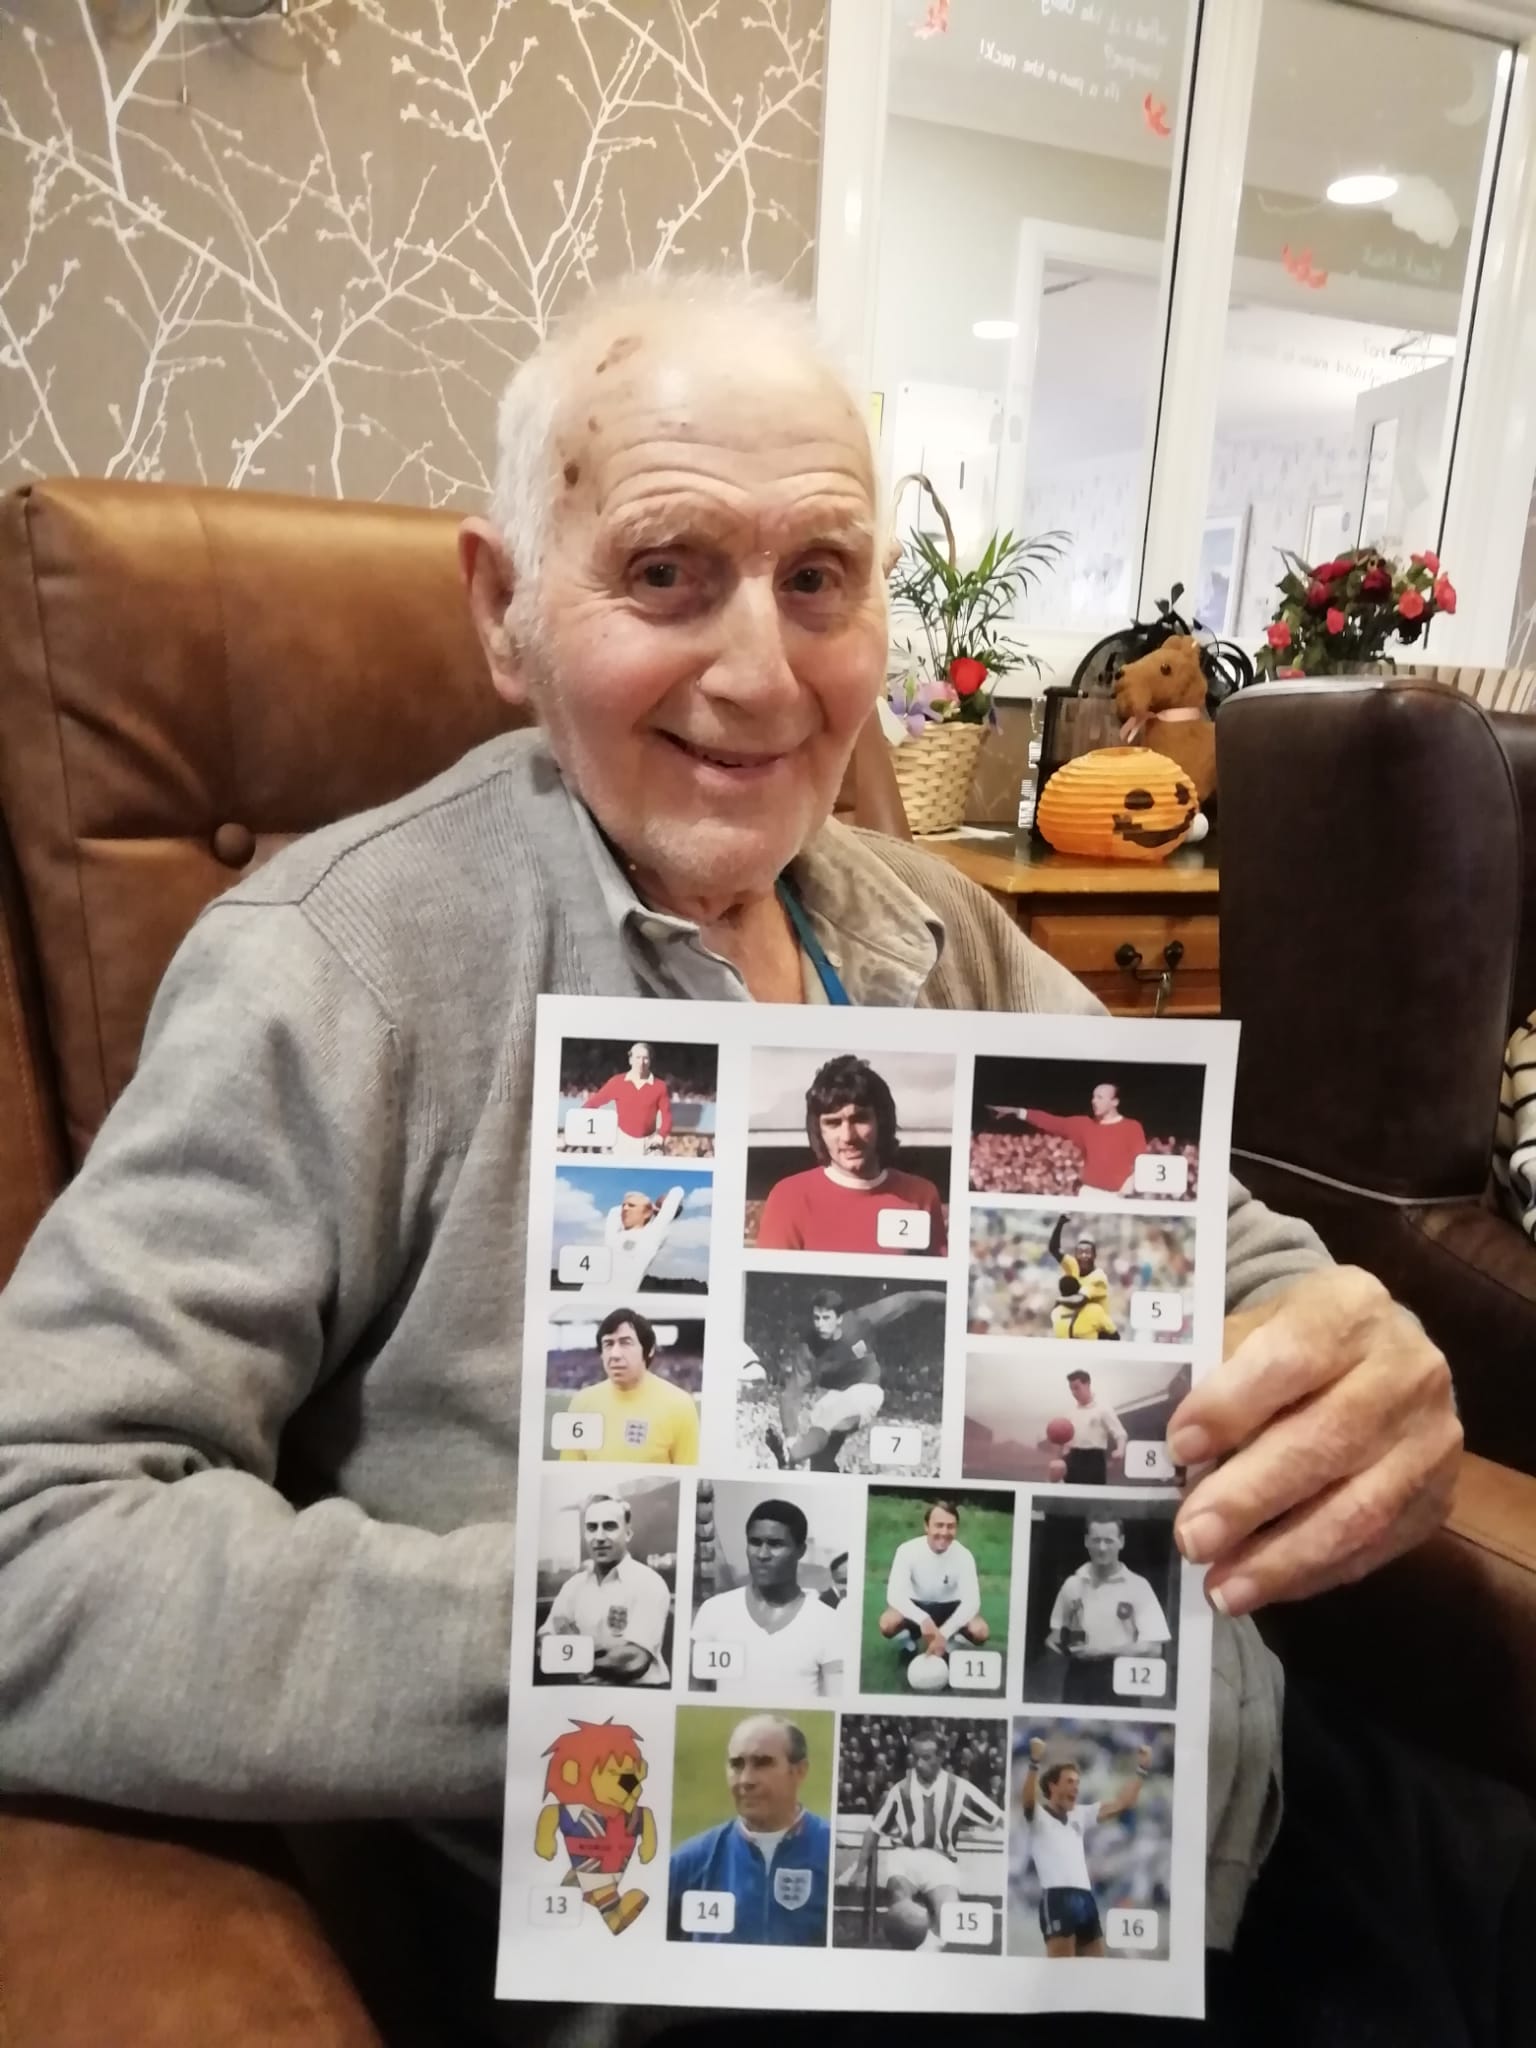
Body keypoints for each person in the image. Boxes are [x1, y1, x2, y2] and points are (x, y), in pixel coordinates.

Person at [0, 273, 1476, 2045]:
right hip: (766, 1938)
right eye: (665, 570)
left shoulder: (933, 924)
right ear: (505, 609)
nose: (761, 672)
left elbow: (1208, 1242)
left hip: (1215, 1828)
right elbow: (37, 1544)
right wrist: (658, 1625)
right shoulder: (339, 967)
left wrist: (1344, 1337)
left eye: (820, 578)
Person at [756, 1054, 947, 1254]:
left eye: (859, 1119)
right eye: (833, 1123)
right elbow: (770, 1284)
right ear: (818, 1130)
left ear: (881, 1120)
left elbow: (934, 1283)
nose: (848, 1136)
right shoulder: (789, 1198)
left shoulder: (920, 1195)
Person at [667, 1714, 831, 1947]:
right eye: (736, 1764)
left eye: (762, 1763)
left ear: (799, 1771)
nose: (746, 1779)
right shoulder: (688, 1864)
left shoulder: (830, 1851)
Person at [843, 1728, 1004, 1951]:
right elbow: (874, 1829)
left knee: (950, 1917)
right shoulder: (901, 1790)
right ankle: (906, 1952)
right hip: (905, 1856)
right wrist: (860, 1869)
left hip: (940, 1860)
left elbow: (998, 1818)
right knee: (904, 1912)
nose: (919, 1764)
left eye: (926, 1758)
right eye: (916, 1758)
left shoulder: (960, 1788)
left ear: (940, 1757)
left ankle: (927, 1949)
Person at [764, 1286, 942, 1473]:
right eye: (816, 1318)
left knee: (831, 1417)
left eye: (826, 1318)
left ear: (839, 1319)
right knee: (821, 1461)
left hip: (866, 1389)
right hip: (835, 1395)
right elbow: (791, 1393)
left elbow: (909, 1298)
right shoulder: (809, 1348)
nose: (820, 1325)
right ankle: (795, 1458)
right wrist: (790, 1437)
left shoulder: (859, 1321)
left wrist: (955, 1298)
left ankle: (792, 1457)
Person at [691, 1498, 843, 1697]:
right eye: (754, 1543)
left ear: (800, 1550)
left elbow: (836, 1703)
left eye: (775, 1544)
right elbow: (694, 1695)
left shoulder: (828, 1622)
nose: (762, 1554)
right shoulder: (715, 1611)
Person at [1019, 1736, 1152, 1958]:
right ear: (1052, 1786)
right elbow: (1028, 1801)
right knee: (1063, 1972)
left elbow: (1123, 1803)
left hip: (1085, 1898)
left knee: (1094, 1971)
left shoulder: (1079, 1813)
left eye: (1077, 1783)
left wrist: (1141, 1770)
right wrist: (1034, 1762)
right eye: (1070, 1782)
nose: (1076, 1788)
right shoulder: (1039, 1817)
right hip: (1057, 1898)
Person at [537, 1494, 671, 1686]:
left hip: (641, 1695)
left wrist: (573, 1651)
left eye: (609, 1526)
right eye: (592, 1528)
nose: (599, 1537)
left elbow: (634, 1660)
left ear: (628, 1533)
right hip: (582, 1694)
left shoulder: (649, 1583)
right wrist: (604, 1653)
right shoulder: (573, 1586)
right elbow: (544, 1641)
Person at [1046, 1515, 1170, 1707]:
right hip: (1078, 1679)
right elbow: (1056, 1635)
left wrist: (1101, 1652)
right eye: (1096, 1540)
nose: (1102, 1548)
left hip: (1121, 1678)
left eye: (1109, 1541)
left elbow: (1153, 1648)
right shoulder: (1072, 1584)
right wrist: (1063, 1645)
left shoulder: (1138, 1586)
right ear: (1087, 1541)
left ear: (1121, 1542)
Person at [559, 1306, 698, 1465]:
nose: (615, 1354)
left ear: (649, 1349)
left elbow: (688, 1479)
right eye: (608, 1344)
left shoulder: (680, 1405)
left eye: (625, 1343)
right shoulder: (581, 1403)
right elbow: (568, 1470)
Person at [992, 1082, 1149, 1197]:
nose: (1094, 1101)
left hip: (1118, 1197)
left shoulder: (1131, 1127)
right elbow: (1052, 1122)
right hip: (1089, 1194)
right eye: (1093, 1097)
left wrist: (1126, 1190)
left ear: (1114, 1102)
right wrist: (1019, 1112)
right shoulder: (1084, 1125)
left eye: (1100, 1097)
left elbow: (1142, 1163)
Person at [878, 1499, 988, 1663]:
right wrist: (923, 1620)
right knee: (887, 1623)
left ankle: (950, 1646)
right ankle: (909, 1645)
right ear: (926, 1526)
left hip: (950, 1607)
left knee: (980, 1631)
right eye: (939, 1525)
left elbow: (972, 1603)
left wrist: (943, 1633)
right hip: (917, 1606)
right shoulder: (907, 1550)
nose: (944, 1532)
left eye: (950, 1526)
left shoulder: (964, 1556)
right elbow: (894, 1595)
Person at [573, 1184, 686, 1298]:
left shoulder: (652, 1235)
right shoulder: (613, 1237)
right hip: (584, 1299)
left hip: (614, 1304)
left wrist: (649, 1207)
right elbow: (614, 1212)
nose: (625, 1208)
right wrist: (644, 1205)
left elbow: (677, 1192)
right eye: (624, 1205)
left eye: (631, 1206)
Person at [583, 1042, 671, 1158]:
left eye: (645, 1058)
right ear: (630, 1060)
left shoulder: (660, 1086)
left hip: (649, 1142)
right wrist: (577, 1119)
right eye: (637, 1057)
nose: (641, 1062)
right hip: (622, 1142)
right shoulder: (617, 1082)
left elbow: (667, 1115)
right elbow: (594, 1102)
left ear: (650, 1061)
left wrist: (661, 1136)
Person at [1062, 1369, 1127, 1485]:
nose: (1074, 1392)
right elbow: (1068, 1435)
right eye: (1071, 1389)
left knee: (1093, 1496)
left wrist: (1120, 1449)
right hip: (1074, 1457)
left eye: (1077, 1388)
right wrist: (1066, 1450)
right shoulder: (1071, 1411)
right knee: (1071, 1495)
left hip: (1094, 1458)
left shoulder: (1103, 1408)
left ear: (1087, 1384)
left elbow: (1120, 1433)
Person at [1051, 1276, 1119, 1342]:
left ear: (1061, 1292)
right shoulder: (1095, 1310)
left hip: (1064, 1352)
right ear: (1079, 1289)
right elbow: (1115, 1335)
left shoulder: (1055, 1313)